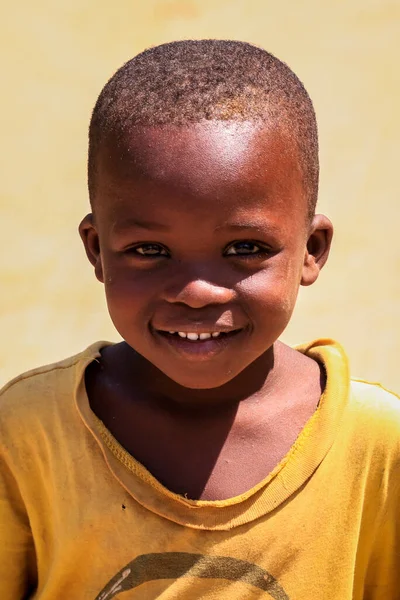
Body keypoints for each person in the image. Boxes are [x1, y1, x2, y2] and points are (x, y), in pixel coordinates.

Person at [0, 39, 399, 600]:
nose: (196, 293)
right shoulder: (26, 433)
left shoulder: (378, 448)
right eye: (149, 250)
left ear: (311, 249)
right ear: (96, 251)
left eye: (244, 248)